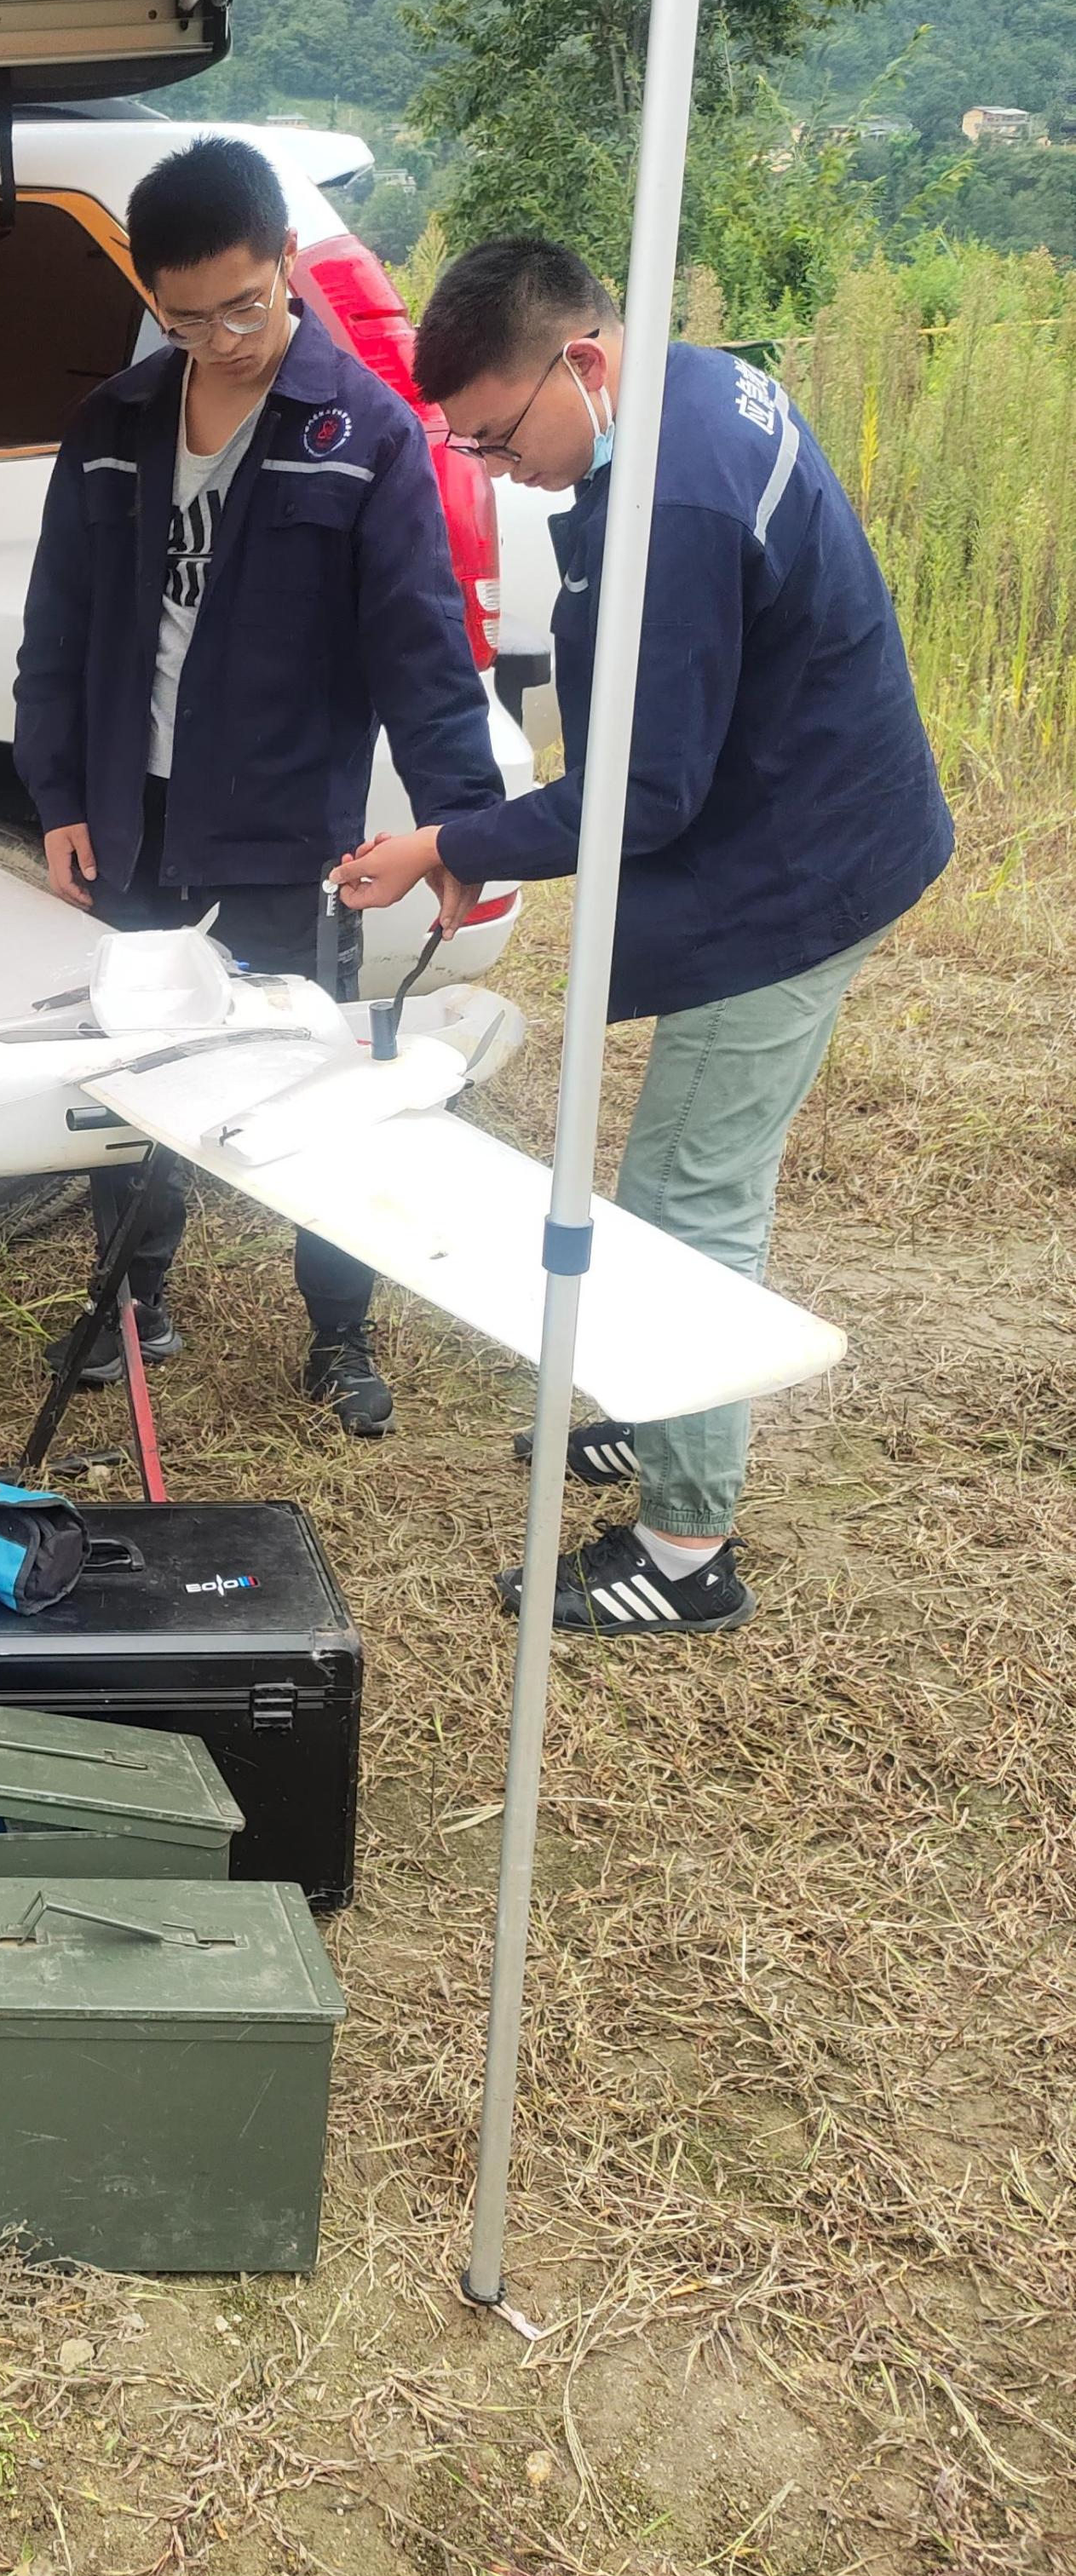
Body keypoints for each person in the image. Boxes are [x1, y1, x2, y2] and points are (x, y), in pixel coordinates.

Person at [334, 236, 952, 1630]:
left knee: (689, 1205)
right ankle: (663, 1411)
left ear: (584, 362)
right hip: (799, 809)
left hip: (803, 869)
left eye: (498, 438)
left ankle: (685, 1552)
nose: (496, 472)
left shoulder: (668, 498)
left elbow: (640, 799)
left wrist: (447, 843)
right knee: (678, 1175)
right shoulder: (686, 390)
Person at [13, 135, 505, 1434]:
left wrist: (459, 826)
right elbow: (56, 629)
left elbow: (422, 647)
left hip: (283, 831)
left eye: (245, 303)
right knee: (132, 1068)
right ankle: (132, 1304)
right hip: (132, 815)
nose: (222, 337)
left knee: (311, 1086)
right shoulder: (115, 426)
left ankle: (340, 1335)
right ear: (153, 301)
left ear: (287, 261)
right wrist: (60, 794)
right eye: (187, 317)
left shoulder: (363, 432)